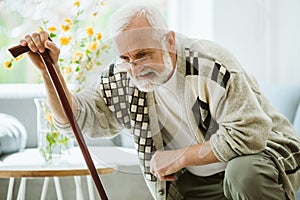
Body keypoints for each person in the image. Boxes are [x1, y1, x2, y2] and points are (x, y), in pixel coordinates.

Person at [20, 3, 300, 200]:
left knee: (243, 174)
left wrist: (179, 157)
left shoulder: (211, 63)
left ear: (168, 41)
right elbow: (77, 120)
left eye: (143, 54)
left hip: (262, 157)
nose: (135, 67)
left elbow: (249, 136)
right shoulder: (123, 76)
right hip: (196, 180)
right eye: (126, 58)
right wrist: (49, 70)